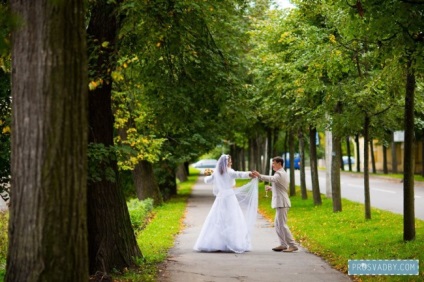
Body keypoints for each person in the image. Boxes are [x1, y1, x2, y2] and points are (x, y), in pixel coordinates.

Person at [193, 154, 258, 253]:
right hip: (229, 197)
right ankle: (233, 243)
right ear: (227, 162)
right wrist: (250, 174)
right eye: (230, 161)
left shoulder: (217, 173)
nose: (231, 162)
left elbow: (207, 181)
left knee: (217, 219)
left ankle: (215, 243)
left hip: (220, 197)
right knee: (232, 218)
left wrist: (208, 174)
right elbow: (239, 174)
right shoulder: (229, 171)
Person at [252, 156, 298, 252]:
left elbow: (272, 178)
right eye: (272, 163)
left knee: (282, 224)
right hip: (280, 202)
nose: (272, 165)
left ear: (279, 164)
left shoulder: (279, 173)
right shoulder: (281, 173)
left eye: (274, 163)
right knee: (277, 224)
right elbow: (282, 188)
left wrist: (259, 175)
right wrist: (271, 188)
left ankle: (292, 245)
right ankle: (283, 244)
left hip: (282, 203)